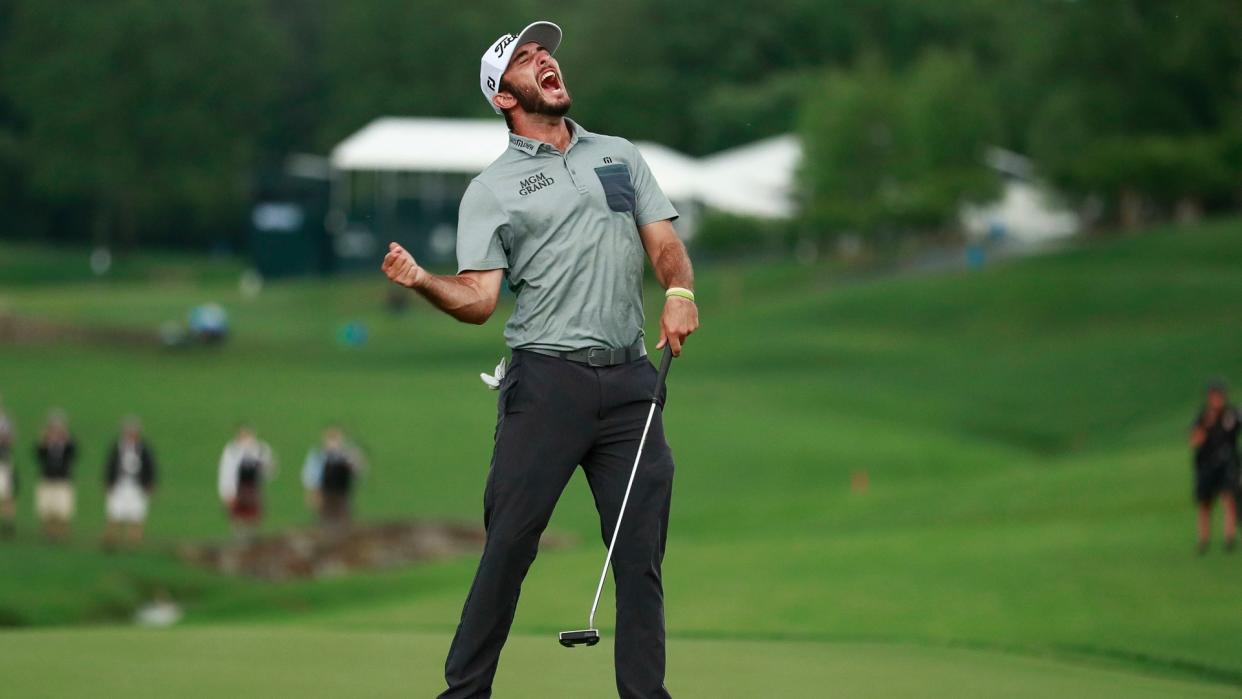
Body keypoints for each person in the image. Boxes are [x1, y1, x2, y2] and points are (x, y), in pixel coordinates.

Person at [382, 21, 698, 699]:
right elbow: (478, 298)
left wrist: (678, 290)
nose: (544, 58)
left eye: (544, 51)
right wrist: (424, 282)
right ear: (504, 96)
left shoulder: (618, 156)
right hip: (545, 382)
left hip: (631, 381)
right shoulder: (491, 189)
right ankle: (463, 693)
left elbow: (664, 243)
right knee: (508, 547)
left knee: (638, 556)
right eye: (524, 59)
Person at [1190, 380, 1240, 553]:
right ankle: (1203, 541)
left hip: (1228, 463)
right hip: (1207, 465)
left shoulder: (1232, 415)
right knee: (1205, 503)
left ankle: (1229, 539)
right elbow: (1194, 441)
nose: (1217, 400)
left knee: (1229, 499)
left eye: (1220, 396)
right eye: (1214, 396)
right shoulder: (1203, 417)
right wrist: (1206, 426)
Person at [103, 416, 158, 547]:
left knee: (137, 514)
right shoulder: (117, 447)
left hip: (137, 486)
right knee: (115, 512)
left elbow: (150, 466)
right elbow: (110, 465)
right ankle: (112, 540)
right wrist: (108, 481)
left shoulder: (144, 448)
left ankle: (133, 542)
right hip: (120, 485)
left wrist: (150, 483)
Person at [217, 425, 276, 540]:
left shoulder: (260, 450)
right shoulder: (232, 452)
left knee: (254, 519)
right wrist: (227, 494)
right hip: (238, 489)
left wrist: (266, 467)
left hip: (253, 489)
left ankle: (252, 541)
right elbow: (226, 473)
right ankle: (238, 541)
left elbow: (269, 470)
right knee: (238, 519)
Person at [300, 426, 366, 525]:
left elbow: (358, 472)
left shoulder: (347, 455)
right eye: (331, 440)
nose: (334, 444)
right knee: (324, 523)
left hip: (342, 495)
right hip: (325, 495)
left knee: (344, 522)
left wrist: (356, 459)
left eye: (336, 440)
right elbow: (310, 477)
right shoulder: (318, 456)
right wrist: (313, 495)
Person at [35, 410, 77, 541]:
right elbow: (38, 454)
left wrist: (66, 439)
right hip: (47, 479)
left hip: (63, 479)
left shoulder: (68, 444)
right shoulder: (46, 444)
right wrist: (44, 441)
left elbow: (73, 453)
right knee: (47, 509)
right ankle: (48, 533)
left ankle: (62, 534)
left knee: (63, 510)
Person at [0, 402, 16, 539]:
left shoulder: (5, 422)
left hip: (2, 462)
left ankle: (7, 523)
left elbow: (8, 440)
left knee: (6, 494)